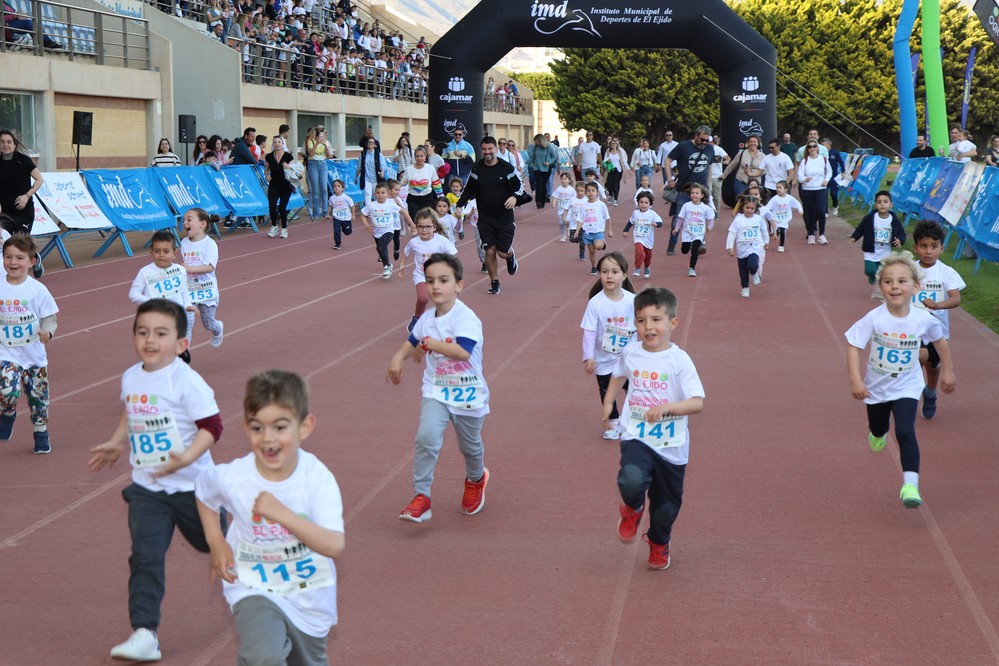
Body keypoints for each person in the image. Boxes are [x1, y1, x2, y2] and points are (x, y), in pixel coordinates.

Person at [88, 298, 224, 662]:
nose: (150, 340)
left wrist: (187, 457)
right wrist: (119, 442)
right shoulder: (131, 376)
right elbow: (130, 408)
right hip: (148, 488)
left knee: (219, 549)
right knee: (145, 556)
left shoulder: (187, 381)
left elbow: (212, 427)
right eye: (143, 332)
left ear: (181, 344)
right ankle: (144, 632)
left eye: (161, 334)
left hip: (194, 488)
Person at [195, 370, 344, 666]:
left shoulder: (316, 479)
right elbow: (204, 492)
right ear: (246, 427)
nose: (268, 439)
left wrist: (283, 515)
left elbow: (334, 545)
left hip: (308, 597)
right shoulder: (236, 476)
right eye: (257, 428)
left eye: (279, 427)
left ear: (305, 427)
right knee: (263, 657)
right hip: (253, 586)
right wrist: (216, 541)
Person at [603, 287, 705, 571]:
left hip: (672, 448)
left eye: (657, 319)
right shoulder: (631, 351)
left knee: (665, 510)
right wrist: (609, 401)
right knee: (631, 479)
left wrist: (667, 408)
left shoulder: (679, 360)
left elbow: (697, 402)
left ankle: (659, 543)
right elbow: (617, 374)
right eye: (641, 320)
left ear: (673, 323)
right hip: (637, 433)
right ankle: (633, 509)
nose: (649, 327)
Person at [845, 251, 955, 509]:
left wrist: (948, 371)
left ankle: (910, 485)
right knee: (879, 428)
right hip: (876, 389)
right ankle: (877, 433)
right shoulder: (874, 318)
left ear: (915, 286)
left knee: (905, 430)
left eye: (902, 281)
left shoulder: (923, 318)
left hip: (908, 385)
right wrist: (856, 380)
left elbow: (940, 341)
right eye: (888, 281)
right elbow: (853, 345)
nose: (895, 286)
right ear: (880, 286)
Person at [387, 253, 490, 523]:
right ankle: (422, 496)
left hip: (468, 394)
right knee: (426, 438)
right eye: (430, 280)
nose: (435, 287)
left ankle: (476, 479)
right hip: (436, 390)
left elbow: (462, 352)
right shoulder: (427, 318)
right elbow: (413, 340)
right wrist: (399, 356)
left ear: (459, 285)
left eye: (443, 280)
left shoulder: (466, 317)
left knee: (471, 448)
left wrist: (429, 344)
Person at [0, 233, 57, 453]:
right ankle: (7, 413)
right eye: (8, 257)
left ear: (32, 261)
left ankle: (41, 431)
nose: (13, 262)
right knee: (6, 389)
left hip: (34, 356)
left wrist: (48, 333)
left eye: (19, 258)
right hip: (7, 352)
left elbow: (50, 319)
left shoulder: (38, 290)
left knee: (38, 398)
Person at [454, 136, 529, 295]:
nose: (487, 152)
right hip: (485, 218)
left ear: (495, 149)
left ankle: (510, 256)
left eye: (490, 149)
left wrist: (514, 197)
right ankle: (494, 282)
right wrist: (460, 205)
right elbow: (469, 189)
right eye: (484, 149)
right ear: (481, 150)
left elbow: (520, 186)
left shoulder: (506, 168)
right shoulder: (477, 169)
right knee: (489, 251)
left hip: (504, 217)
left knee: (502, 252)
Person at [909, 221, 965, 420]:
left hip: (938, 331)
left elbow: (956, 298)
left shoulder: (946, 272)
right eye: (923, 246)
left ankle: (930, 394)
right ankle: (905, 399)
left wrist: (937, 305)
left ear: (942, 248)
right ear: (915, 247)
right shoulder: (910, 270)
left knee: (933, 369)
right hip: (913, 330)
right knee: (915, 360)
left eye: (933, 247)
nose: (928, 251)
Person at [581, 251, 637, 440]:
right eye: (604, 272)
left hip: (629, 357)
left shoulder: (633, 301)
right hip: (604, 358)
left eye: (614, 271)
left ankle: (633, 421)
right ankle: (613, 423)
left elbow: (644, 325)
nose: (609, 276)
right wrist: (588, 356)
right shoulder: (595, 303)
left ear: (624, 275)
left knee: (633, 389)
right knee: (606, 392)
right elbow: (589, 332)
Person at [128, 230, 194, 363]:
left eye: (165, 251)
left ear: (174, 253)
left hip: (177, 317)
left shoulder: (180, 270)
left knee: (180, 351)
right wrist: (154, 303)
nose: (161, 255)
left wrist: (188, 305)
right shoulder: (145, 272)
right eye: (157, 251)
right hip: (156, 318)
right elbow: (133, 294)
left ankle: (180, 357)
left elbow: (184, 290)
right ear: (151, 252)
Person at [401, 207, 458, 332]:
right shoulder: (414, 242)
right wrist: (402, 266)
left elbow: (453, 255)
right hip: (421, 275)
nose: (424, 230)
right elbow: (406, 253)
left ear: (434, 227)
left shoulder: (441, 241)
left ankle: (444, 324)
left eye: (427, 227)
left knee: (443, 301)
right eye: (420, 227)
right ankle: (417, 317)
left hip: (439, 277)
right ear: (416, 227)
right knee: (423, 298)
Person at [663, 125, 716, 256]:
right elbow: (668, 159)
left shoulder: (709, 148)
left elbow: (709, 167)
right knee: (678, 217)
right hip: (684, 188)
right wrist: (670, 179)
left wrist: (708, 186)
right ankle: (673, 242)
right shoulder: (683, 146)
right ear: (696, 135)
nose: (704, 143)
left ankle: (699, 243)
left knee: (700, 217)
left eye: (706, 140)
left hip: (702, 189)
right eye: (702, 139)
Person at [180, 208, 225, 347]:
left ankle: (218, 330)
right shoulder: (184, 243)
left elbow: (210, 267)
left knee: (208, 324)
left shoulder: (209, 244)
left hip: (207, 290)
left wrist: (190, 268)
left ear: (203, 224)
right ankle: (184, 351)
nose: (185, 223)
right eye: (183, 220)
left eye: (189, 219)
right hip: (190, 290)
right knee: (188, 320)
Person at [849, 190, 905, 295]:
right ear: (876, 205)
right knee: (870, 270)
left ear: (891, 204)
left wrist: (899, 240)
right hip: (871, 250)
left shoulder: (894, 220)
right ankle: (871, 275)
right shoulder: (870, 218)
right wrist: (854, 237)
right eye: (879, 202)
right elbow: (860, 228)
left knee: (885, 273)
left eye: (885, 201)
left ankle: (882, 290)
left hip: (885, 251)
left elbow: (902, 233)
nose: (882, 204)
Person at [0, 129, 43, 237]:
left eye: (9, 142)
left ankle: (33, 254)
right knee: (5, 245)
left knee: (21, 245)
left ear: (14, 145)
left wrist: (27, 196)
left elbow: (39, 179)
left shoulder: (24, 160)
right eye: (2, 142)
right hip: (4, 213)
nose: (6, 145)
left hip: (23, 212)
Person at [726, 194, 769, 298]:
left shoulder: (758, 219)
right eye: (747, 208)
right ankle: (745, 288)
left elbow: (764, 230)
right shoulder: (738, 219)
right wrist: (730, 247)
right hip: (742, 248)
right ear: (742, 207)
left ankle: (754, 273)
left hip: (755, 246)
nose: (749, 210)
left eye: (752, 208)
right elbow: (732, 233)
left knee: (753, 264)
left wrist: (766, 241)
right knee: (743, 270)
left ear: (756, 209)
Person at [361, 181, 405, 279]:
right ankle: (388, 264)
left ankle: (387, 266)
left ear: (387, 194)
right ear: (374, 194)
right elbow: (363, 216)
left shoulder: (391, 204)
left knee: (380, 247)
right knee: (381, 248)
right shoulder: (371, 205)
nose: (380, 195)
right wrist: (367, 226)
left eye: (382, 193)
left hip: (389, 230)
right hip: (376, 232)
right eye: (377, 193)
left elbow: (403, 211)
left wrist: (412, 224)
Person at [674, 183, 714, 277]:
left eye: (697, 193)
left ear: (702, 195)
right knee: (684, 250)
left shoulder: (705, 208)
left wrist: (709, 226)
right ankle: (689, 245)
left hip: (698, 233)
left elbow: (711, 218)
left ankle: (692, 269)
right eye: (692, 193)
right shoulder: (686, 206)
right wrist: (676, 228)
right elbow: (680, 218)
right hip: (687, 232)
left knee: (695, 249)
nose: (694, 195)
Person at [622, 190, 663, 279]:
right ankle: (637, 268)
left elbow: (660, 222)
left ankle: (647, 267)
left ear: (650, 204)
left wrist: (656, 224)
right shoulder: (635, 213)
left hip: (648, 238)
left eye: (646, 203)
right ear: (638, 203)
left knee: (648, 255)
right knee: (640, 252)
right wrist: (625, 230)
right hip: (638, 237)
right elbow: (630, 222)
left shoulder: (652, 214)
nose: (643, 204)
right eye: (641, 202)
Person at [797, 140, 832, 245]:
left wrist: (826, 180)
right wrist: (804, 179)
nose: (812, 148)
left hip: (820, 188)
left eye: (814, 146)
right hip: (808, 189)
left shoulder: (824, 160)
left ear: (817, 148)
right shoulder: (805, 161)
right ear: (807, 149)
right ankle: (811, 234)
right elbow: (800, 175)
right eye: (810, 147)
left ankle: (822, 235)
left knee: (821, 211)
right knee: (810, 213)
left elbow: (829, 171)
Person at [575, 180, 612, 275]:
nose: (590, 192)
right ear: (586, 193)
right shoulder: (584, 206)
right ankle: (594, 267)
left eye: (593, 190)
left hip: (598, 231)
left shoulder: (601, 205)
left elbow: (608, 218)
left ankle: (603, 243)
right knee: (591, 252)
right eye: (588, 191)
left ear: (597, 192)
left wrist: (610, 230)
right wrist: (577, 230)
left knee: (598, 246)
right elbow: (580, 219)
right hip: (587, 231)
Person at [263, 136, 295, 238]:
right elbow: (266, 169)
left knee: (282, 207)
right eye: (275, 142)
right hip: (274, 184)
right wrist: (267, 176)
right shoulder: (269, 156)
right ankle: (274, 226)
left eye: (279, 142)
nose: (277, 144)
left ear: (282, 144)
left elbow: (295, 170)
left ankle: (284, 228)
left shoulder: (288, 156)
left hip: (286, 185)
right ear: (273, 144)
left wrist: (289, 167)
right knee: (272, 206)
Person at [404, 145, 444, 222]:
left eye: (421, 156)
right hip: (413, 199)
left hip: (428, 199)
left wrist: (441, 197)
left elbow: (436, 183)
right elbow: (403, 182)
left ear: (425, 157)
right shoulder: (409, 169)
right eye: (417, 156)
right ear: (414, 157)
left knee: (429, 220)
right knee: (416, 221)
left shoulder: (430, 168)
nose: (419, 158)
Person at [764, 180, 803, 253]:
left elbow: (797, 203)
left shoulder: (789, 198)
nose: (778, 189)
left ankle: (781, 245)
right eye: (777, 187)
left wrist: (800, 210)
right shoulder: (775, 199)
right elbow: (768, 207)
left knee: (783, 231)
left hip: (785, 218)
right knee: (776, 231)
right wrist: (763, 212)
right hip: (775, 218)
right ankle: (776, 233)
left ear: (786, 189)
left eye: (780, 187)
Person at [304, 125, 333, 218]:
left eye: (324, 133)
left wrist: (325, 146)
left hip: (323, 164)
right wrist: (317, 143)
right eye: (322, 133)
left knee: (324, 189)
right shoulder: (310, 141)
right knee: (316, 190)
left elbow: (330, 156)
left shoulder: (327, 142)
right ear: (317, 133)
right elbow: (311, 154)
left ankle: (325, 212)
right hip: (313, 164)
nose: (324, 135)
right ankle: (316, 212)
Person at [526, 133, 559, 208]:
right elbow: (533, 157)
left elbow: (554, 157)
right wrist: (526, 161)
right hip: (537, 168)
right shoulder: (536, 147)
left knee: (543, 185)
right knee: (539, 184)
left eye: (537, 141)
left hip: (546, 169)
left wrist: (549, 162)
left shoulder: (548, 147)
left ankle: (543, 201)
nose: (536, 143)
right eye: (535, 141)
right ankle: (538, 201)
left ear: (541, 140)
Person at [325, 178, 355, 250]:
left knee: (347, 232)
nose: (336, 188)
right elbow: (330, 206)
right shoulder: (332, 198)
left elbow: (352, 206)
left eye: (338, 186)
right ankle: (337, 244)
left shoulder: (346, 198)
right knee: (336, 231)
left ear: (342, 188)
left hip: (346, 218)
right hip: (336, 217)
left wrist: (353, 215)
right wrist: (328, 214)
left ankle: (348, 229)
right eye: (335, 186)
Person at [601, 138, 630, 207]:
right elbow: (604, 160)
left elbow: (624, 161)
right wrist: (606, 162)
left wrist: (628, 169)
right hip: (610, 170)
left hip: (618, 170)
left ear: (617, 145)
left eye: (614, 144)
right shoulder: (608, 152)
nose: (613, 145)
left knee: (616, 185)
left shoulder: (619, 152)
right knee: (609, 185)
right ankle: (611, 195)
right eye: (612, 144)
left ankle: (616, 199)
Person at [821, 138, 846, 216]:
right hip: (824, 177)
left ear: (828, 144)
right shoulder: (821, 153)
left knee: (834, 194)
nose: (822, 146)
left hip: (834, 177)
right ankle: (825, 211)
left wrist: (843, 171)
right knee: (824, 194)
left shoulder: (835, 152)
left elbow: (841, 162)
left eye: (824, 144)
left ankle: (835, 206)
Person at [355, 136, 383, 205]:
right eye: (369, 142)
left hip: (376, 178)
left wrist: (382, 172)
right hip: (366, 178)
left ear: (375, 144)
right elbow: (359, 167)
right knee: (367, 195)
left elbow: (382, 165)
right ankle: (369, 212)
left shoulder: (378, 154)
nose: (370, 143)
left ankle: (378, 209)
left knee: (376, 195)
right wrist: (356, 177)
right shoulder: (363, 154)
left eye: (372, 142)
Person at [551, 171, 576, 242]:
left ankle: (568, 228)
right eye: (561, 178)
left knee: (567, 221)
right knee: (561, 223)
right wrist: (553, 203)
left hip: (568, 210)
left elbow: (574, 199)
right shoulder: (559, 189)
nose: (563, 180)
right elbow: (555, 196)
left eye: (565, 179)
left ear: (569, 180)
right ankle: (563, 235)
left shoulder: (571, 190)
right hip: (560, 210)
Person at [708, 136, 730, 215]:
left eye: (709, 142)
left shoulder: (718, 149)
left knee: (716, 197)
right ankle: (710, 212)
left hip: (717, 176)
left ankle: (716, 212)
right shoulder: (703, 149)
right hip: (707, 176)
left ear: (712, 142)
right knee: (708, 195)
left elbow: (728, 159)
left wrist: (722, 161)